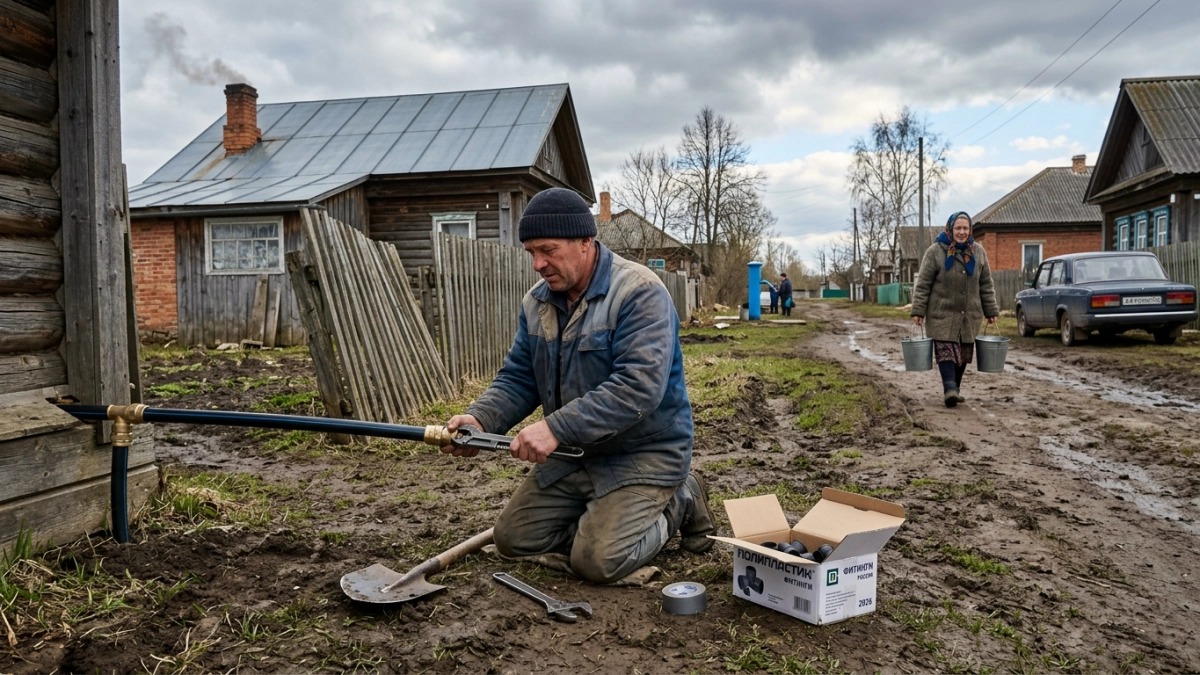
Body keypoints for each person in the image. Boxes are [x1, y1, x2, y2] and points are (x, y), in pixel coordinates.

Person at [440, 187, 714, 584]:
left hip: (644, 454)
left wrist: (554, 428)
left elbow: (638, 387)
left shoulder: (639, 292)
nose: (538, 264)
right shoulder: (537, 303)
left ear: (585, 242)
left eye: (547, 250)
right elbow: (519, 376)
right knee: (513, 540)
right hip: (575, 454)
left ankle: (681, 499)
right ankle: (603, 522)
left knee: (598, 564)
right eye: (531, 252)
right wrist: (481, 420)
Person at [910, 211, 999, 408]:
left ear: (970, 230)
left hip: (969, 314)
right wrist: (918, 310)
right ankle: (949, 388)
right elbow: (923, 284)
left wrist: (991, 311)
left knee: (963, 355)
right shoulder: (935, 252)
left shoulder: (978, 252)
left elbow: (986, 284)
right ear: (950, 229)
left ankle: (954, 390)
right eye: (958, 228)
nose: (961, 232)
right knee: (946, 352)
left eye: (965, 228)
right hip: (942, 312)